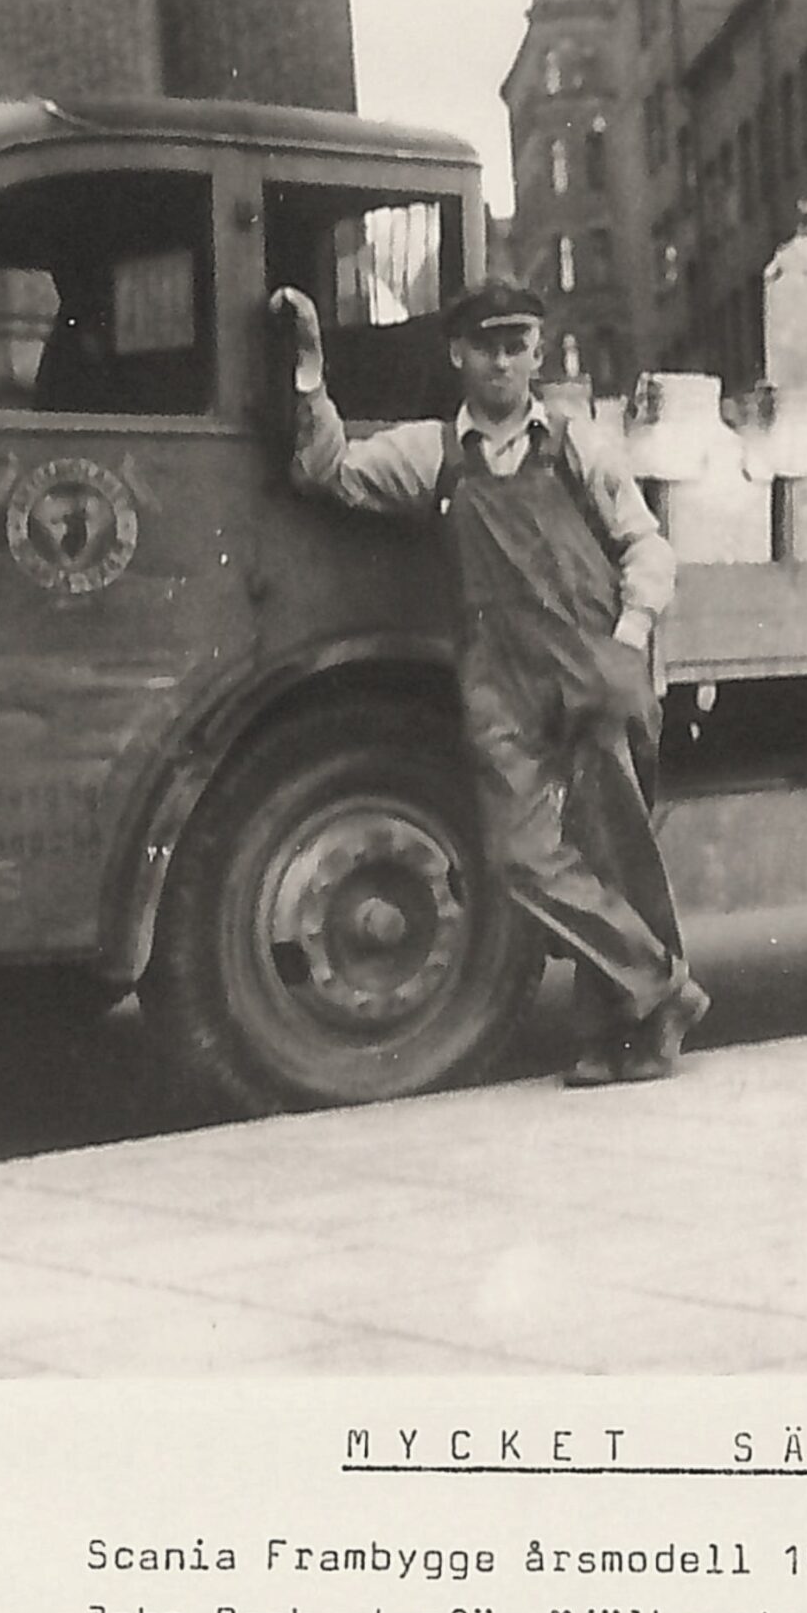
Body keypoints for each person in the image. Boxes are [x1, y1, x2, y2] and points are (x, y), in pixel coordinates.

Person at [272, 276, 707, 1086]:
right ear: (457, 353)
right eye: (485, 347)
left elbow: (647, 547)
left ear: (538, 353)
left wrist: (627, 638)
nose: (501, 362)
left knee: (613, 854)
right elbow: (327, 470)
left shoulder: (581, 445)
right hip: (498, 682)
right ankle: (663, 987)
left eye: (517, 346)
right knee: (521, 856)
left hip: (590, 667)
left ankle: (623, 1035)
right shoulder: (431, 453)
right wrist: (308, 372)